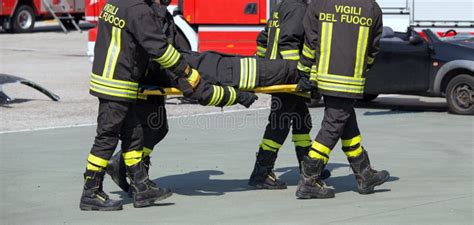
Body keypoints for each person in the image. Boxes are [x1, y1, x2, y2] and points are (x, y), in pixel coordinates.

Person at [80, 0, 202, 211]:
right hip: (117, 83)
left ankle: (141, 187)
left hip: (115, 81)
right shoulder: (138, 10)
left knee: (134, 133)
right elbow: (160, 49)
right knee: (107, 137)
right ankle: (91, 191)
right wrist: (187, 71)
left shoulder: (115, 3)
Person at [295, 0, 389, 199]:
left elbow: (310, 42)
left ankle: (364, 174)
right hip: (351, 79)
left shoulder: (320, 4)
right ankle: (309, 180)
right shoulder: (372, 7)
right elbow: (373, 49)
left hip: (325, 77)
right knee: (334, 124)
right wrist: (362, 69)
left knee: (346, 122)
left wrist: (304, 71)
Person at [248, 0, 330, 190]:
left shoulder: (283, 6)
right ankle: (261, 172)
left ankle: (307, 167)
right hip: (287, 78)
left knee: (302, 121)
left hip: (279, 74)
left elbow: (263, 39)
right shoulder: (298, 8)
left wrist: (266, 64)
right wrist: (297, 74)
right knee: (279, 124)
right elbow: (288, 41)